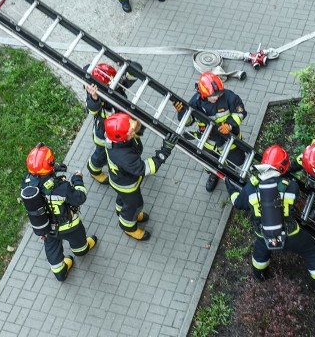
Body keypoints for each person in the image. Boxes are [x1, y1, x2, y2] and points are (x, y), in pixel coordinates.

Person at [225, 145, 315, 292]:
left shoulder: (250, 188)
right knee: (311, 250)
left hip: (264, 235)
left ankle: (260, 275)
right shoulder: (291, 186)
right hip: (291, 235)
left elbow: (238, 203)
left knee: (260, 255)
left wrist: (231, 189)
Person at [20, 144, 97, 281]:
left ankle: (60, 272)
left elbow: (40, 182)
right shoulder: (62, 187)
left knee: (52, 250)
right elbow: (80, 197)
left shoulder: (27, 184)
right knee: (79, 240)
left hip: (47, 228)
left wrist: (50, 172)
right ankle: (81, 251)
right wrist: (77, 180)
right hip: (69, 226)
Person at [103, 112, 177, 241]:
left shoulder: (113, 138)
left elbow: (132, 131)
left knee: (123, 199)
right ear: (122, 137)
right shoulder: (124, 157)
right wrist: (164, 151)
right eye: (130, 131)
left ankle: (121, 210)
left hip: (119, 180)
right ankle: (128, 226)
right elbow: (145, 168)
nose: (133, 131)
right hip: (127, 186)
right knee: (135, 205)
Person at [173, 72, 247, 192]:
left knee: (237, 161)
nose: (217, 97)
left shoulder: (229, 97)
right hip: (209, 142)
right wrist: (181, 112)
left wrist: (229, 124)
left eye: (219, 93)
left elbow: (240, 113)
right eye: (213, 95)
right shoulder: (195, 102)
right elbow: (188, 122)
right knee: (209, 163)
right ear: (203, 93)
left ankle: (232, 176)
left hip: (230, 139)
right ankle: (215, 174)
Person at [83, 61, 142, 184]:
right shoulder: (95, 96)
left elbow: (136, 72)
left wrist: (126, 64)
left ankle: (131, 165)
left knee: (133, 145)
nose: (117, 83)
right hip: (104, 135)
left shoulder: (116, 84)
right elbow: (92, 109)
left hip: (124, 127)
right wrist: (94, 97)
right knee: (101, 155)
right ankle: (94, 170)